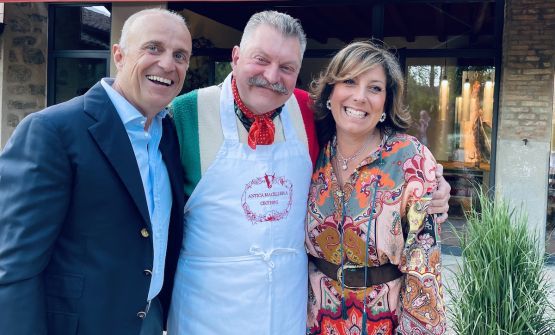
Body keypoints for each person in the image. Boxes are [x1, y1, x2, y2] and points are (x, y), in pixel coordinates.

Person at [168, 11, 450, 334]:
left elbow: (424, 262)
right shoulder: (185, 114)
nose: (272, 76)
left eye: (287, 67)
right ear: (235, 57)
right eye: (261, 59)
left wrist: (434, 185)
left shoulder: (304, 113)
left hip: (296, 318)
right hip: (210, 316)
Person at [0, 8, 191, 335]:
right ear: (119, 54)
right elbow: (14, 267)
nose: (168, 64)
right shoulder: (53, 131)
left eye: (180, 55)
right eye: (153, 48)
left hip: (150, 320)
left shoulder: (169, 134)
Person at [305, 41, 447, 334]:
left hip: (385, 319)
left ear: (385, 103)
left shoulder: (410, 159)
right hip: (314, 317)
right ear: (330, 92)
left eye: (374, 88)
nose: (360, 97)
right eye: (349, 81)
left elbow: (424, 265)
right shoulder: (311, 150)